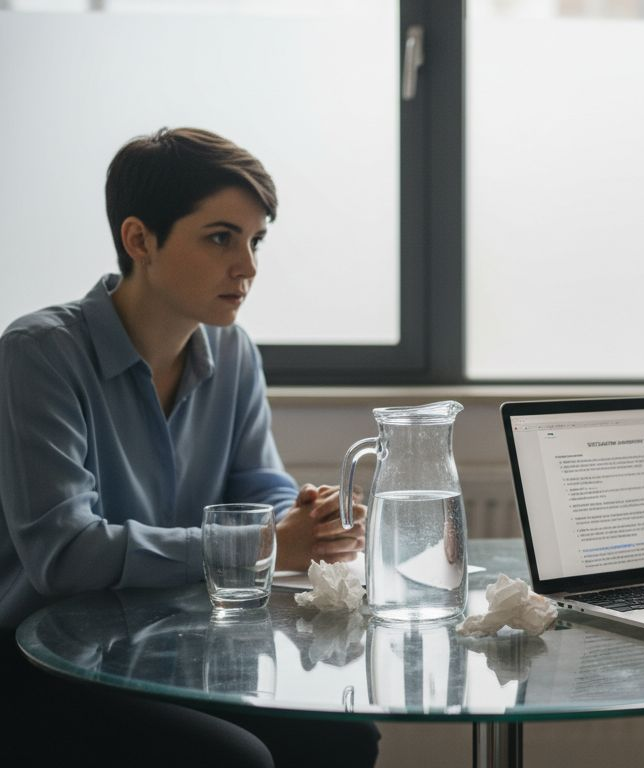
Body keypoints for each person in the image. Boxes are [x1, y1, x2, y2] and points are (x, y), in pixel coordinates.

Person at [0, 128, 377, 767]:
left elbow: (259, 485)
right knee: (235, 759)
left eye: (255, 241)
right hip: (39, 663)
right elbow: (65, 554)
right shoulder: (39, 355)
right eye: (220, 237)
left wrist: (306, 517)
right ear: (139, 239)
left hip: (171, 647)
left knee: (344, 737)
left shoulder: (232, 352)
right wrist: (263, 546)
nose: (248, 267)